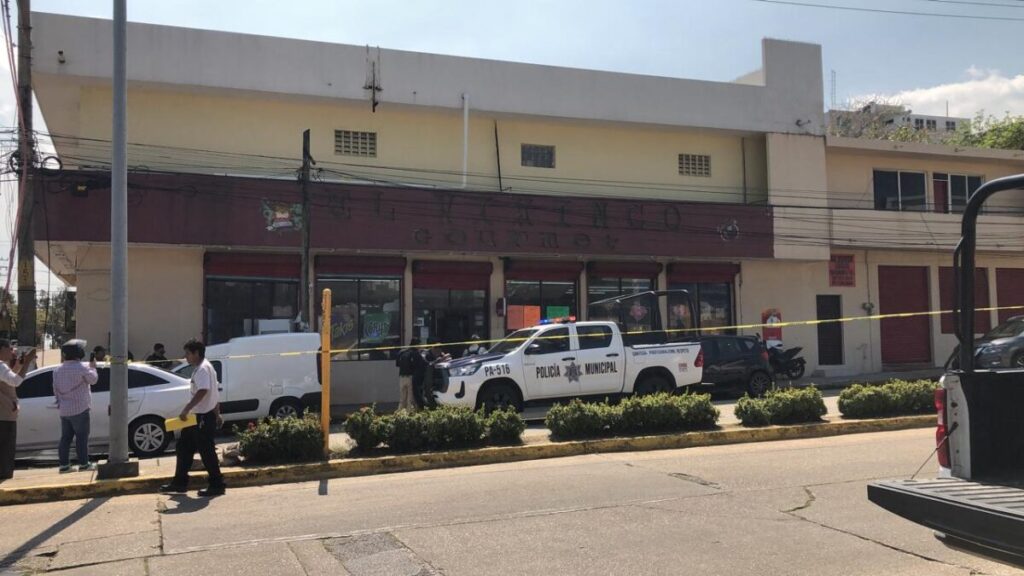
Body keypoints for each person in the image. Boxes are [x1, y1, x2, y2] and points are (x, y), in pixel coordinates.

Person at [161, 338, 225, 497]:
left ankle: (217, 484)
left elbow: (203, 391)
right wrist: (217, 414)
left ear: (197, 353)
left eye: (188, 353)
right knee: (183, 447)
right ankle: (180, 482)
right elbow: (215, 393)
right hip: (198, 417)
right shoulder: (206, 367)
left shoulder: (203, 369)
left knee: (207, 451)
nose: (186, 357)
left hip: (202, 417)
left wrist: (186, 409)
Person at [53, 339, 98, 473]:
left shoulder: (57, 370)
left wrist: (61, 404)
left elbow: (55, 389)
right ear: (79, 353)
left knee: (65, 438)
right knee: (81, 438)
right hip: (80, 408)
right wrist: (93, 367)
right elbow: (94, 380)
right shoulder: (82, 368)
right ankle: (84, 464)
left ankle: (64, 465)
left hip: (65, 410)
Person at [0, 340, 36, 482]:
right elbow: (15, 381)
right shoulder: (1, 366)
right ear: (2, 349)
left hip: (5, 412)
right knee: (5, 447)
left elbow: (9, 378)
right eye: (10, 348)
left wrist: (19, 365)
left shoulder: (3, 367)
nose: (12, 351)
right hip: (4, 414)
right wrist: (27, 362)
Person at [395, 338, 426, 411]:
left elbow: (397, 364)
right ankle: (409, 416)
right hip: (410, 377)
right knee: (410, 399)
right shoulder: (415, 353)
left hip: (401, 377)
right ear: (417, 345)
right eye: (419, 345)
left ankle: (398, 415)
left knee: (402, 399)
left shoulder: (402, 352)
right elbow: (423, 364)